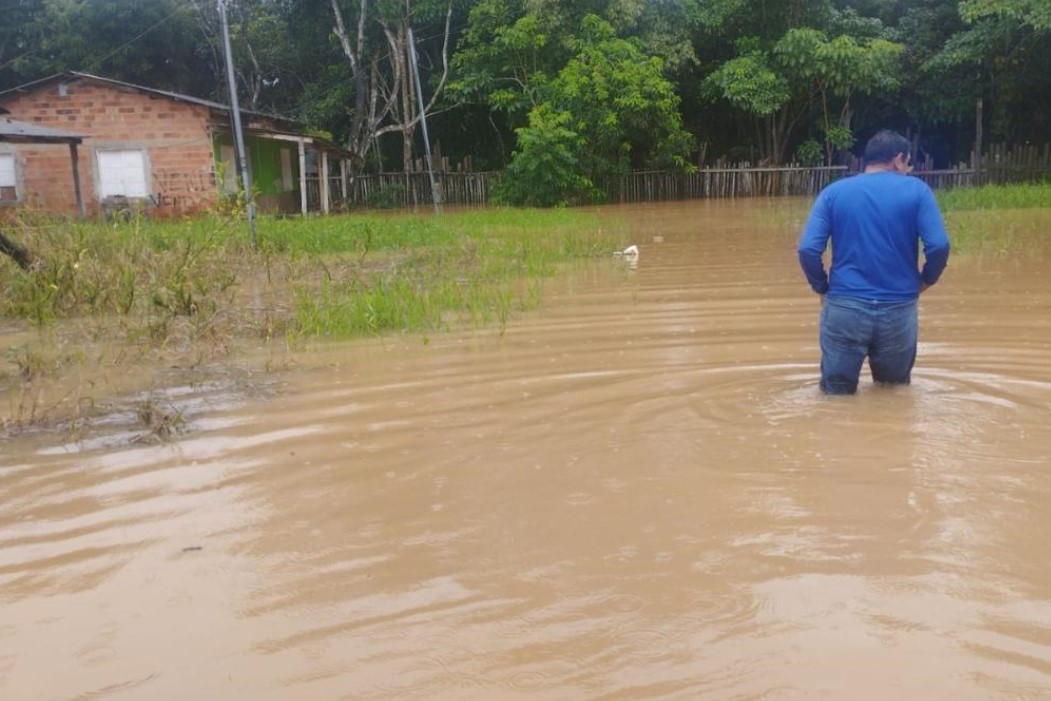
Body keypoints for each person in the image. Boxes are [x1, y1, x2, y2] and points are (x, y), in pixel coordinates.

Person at [797, 129, 951, 395]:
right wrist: (926, 280)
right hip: (898, 310)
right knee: (893, 396)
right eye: (908, 162)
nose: (908, 169)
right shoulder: (917, 192)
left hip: (844, 307)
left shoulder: (834, 193)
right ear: (898, 159)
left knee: (835, 397)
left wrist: (821, 287)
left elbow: (809, 249)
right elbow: (939, 246)